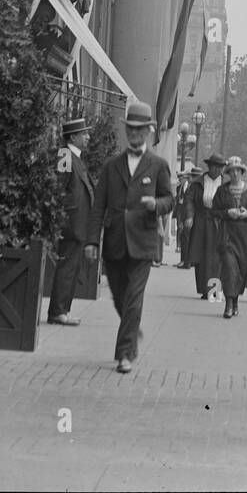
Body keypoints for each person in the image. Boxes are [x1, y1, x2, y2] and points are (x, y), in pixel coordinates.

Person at [84, 100, 172, 374]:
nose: (134, 134)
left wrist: (155, 205)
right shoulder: (112, 166)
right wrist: (91, 241)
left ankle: (124, 355)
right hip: (114, 242)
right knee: (119, 299)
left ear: (148, 131)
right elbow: (98, 205)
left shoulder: (158, 165)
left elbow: (170, 199)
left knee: (134, 298)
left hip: (143, 243)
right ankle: (132, 337)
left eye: (139, 130)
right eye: (130, 130)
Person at [47, 117, 95, 327]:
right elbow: (58, 189)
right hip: (71, 224)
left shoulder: (75, 157)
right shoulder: (65, 155)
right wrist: (65, 216)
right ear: (73, 137)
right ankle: (58, 311)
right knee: (67, 268)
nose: (87, 137)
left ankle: (63, 310)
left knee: (71, 268)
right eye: (83, 134)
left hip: (78, 223)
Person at [214, 157, 247, 318]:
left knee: (240, 270)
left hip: (244, 236)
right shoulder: (222, 190)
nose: (235, 174)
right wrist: (227, 213)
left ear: (242, 172)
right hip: (227, 233)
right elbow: (214, 211)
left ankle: (236, 300)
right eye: (231, 171)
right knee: (229, 268)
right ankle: (228, 304)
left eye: (238, 170)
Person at [187, 153, 226, 299]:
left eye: (220, 167)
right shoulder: (199, 182)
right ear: (209, 166)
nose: (217, 170)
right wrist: (190, 216)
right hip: (201, 221)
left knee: (216, 258)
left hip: (218, 222)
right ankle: (204, 289)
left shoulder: (225, 183)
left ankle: (214, 290)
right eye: (214, 167)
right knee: (201, 257)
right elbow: (189, 199)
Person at [173, 165, 201, 268]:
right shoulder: (187, 187)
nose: (190, 178)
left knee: (189, 239)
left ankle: (188, 261)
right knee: (185, 238)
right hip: (185, 215)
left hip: (193, 217)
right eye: (189, 176)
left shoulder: (195, 187)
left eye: (191, 176)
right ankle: (185, 260)